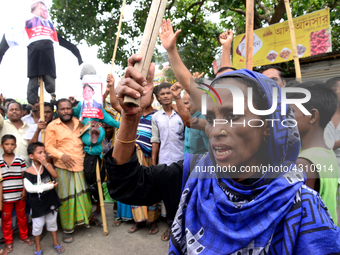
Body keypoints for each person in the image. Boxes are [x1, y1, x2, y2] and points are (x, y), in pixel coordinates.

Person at [104, 54, 340, 254]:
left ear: (268, 126)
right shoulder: (195, 173)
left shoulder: (302, 207)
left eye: (233, 116)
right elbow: (126, 186)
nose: (216, 130)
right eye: (212, 118)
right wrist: (130, 117)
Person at [289, 83, 339, 225]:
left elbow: (297, 215)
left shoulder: (303, 162)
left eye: (290, 112)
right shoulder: (328, 153)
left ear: (312, 116)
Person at [45, 99, 92, 243]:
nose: (65, 111)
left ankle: (85, 220)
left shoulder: (80, 122)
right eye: (62, 109)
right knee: (66, 199)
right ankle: (67, 229)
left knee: (82, 195)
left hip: (80, 165)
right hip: (63, 167)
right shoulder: (53, 126)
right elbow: (49, 147)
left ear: (72, 109)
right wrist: (61, 155)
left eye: (68, 108)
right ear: (57, 111)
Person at [151, 82, 185, 241]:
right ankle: (172, 227)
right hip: (164, 162)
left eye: (168, 93)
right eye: (162, 94)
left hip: (182, 161)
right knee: (169, 197)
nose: (165, 96)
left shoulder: (182, 114)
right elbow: (155, 141)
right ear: (157, 97)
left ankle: (184, 227)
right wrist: (153, 163)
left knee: (183, 195)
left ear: (173, 94)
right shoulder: (156, 117)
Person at [23, 142, 64, 255]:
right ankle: (38, 245)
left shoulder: (47, 166)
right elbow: (30, 189)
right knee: (38, 226)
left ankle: (55, 242)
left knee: (52, 223)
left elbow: (55, 175)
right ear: (31, 156)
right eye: (39, 152)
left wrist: (46, 164)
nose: (43, 155)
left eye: (44, 152)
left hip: (50, 201)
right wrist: (49, 186)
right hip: (37, 204)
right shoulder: (27, 172)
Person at [128, 94, 160, 235]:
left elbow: (157, 140)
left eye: (147, 97)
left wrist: (154, 161)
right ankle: (138, 221)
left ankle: (153, 221)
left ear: (152, 99)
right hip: (134, 156)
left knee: (151, 187)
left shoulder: (157, 115)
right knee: (135, 187)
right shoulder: (134, 113)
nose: (144, 100)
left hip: (150, 156)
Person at [0, 135, 35, 254]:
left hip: (20, 195)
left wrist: (24, 191)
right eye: (6, 144)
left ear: (15, 146)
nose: (9, 146)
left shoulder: (19, 159)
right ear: (1, 146)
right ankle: (8, 242)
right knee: (6, 220)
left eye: (12, 144)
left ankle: (24, 236)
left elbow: (23, 177)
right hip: (6, 197)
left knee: (22, 217)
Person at [171, 82, 209, 155]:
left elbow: (209, 150)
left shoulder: (203, 120)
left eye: (186, 103)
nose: (183, 106)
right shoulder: (188, 117)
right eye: (182, 103)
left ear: (196, 103)